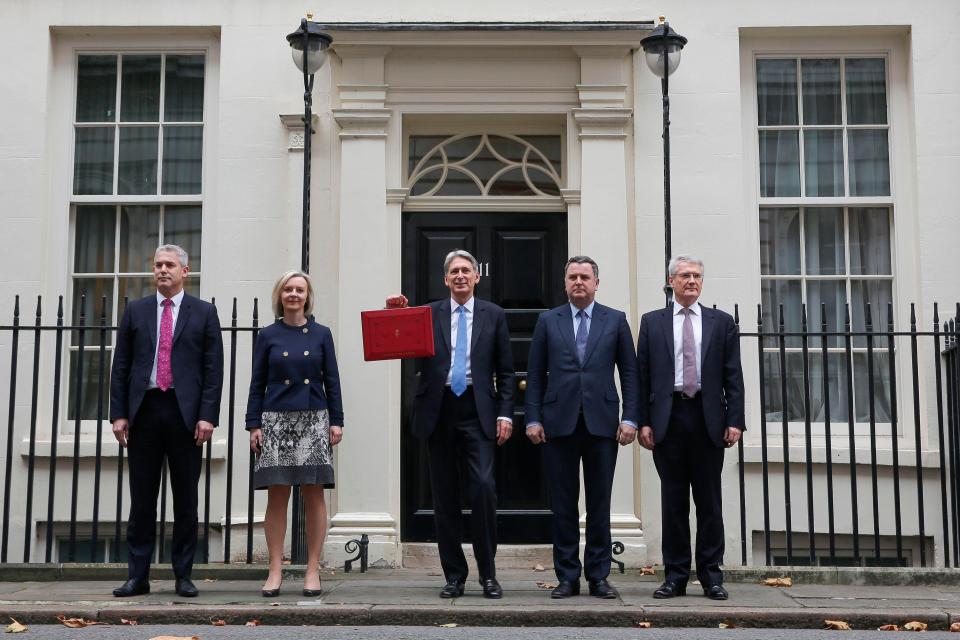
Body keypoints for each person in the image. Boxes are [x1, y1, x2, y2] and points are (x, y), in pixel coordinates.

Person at [386, 249, 514, 599]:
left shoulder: (494, 315)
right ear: (446, 279)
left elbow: (505, 370)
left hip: (478, 409)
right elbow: (397, 341)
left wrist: (505, 412)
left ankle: (488, 575)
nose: (460, 276)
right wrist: (396, 313)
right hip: (438, 410)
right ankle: (454, 576)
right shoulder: (428, 313)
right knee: (444, 497)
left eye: (466, 271)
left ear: (476, 277)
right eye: (454, 271)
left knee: (484, 488)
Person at [109, 244, 223, 598]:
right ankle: (137, 576)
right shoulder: (136, 310)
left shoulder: (204, 312)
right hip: (144, 411)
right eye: (157, 264)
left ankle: (183, 576)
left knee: (185, 499)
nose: (162, 270)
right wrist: (118, 413)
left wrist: (207, 416)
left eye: (169, 265)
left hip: (184, 414)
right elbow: (122, 365)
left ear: (185, 271)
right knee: (141, 499)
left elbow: (213, 369)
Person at [525, 256, 639, 599]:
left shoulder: (615, 320)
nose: (578, 282)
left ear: (596, 283)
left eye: (584, 277)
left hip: (603, 424)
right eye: (573, 276)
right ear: (565, 283)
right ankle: (567, 577)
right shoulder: (548, 321)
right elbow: (534, 375)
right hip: (558, 423)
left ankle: (599, 576)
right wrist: (532, 417)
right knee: (563, 505)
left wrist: (631, 417)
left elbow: (630, 373)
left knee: (600, 504)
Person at [636, 255, 745, 601]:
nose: (692, 281)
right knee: (673, 502)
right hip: (669, 418)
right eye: (685, 276)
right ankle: (676, 576)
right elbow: (641, 377)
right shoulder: (652, 323)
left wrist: (735, 421)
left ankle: (712, 575)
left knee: (709, 501)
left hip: (708, 418)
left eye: (697, 276)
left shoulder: (721, 322)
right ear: (671, 281)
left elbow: (734, 377)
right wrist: (643, 421)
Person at [246, 270, 343, 598]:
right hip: (275, 419)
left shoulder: (321, 334)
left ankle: (312, 569)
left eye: (299, 289)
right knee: (277, 494)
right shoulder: (268, 335)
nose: (293, 294)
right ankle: (275, 568)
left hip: (314, 417)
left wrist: (337, 420)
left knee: (313, 493)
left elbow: (333, 379)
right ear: (280, 294)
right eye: (288, 289)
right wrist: (253, 424)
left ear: (307, 295)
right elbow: (256, 382)